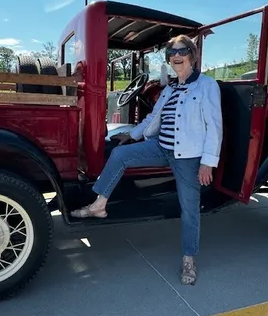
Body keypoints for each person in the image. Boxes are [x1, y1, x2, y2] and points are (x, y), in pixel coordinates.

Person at [71, 34, 223, 285]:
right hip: (160, 147)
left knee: (189, 209)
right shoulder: (170, 88)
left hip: (188, 157)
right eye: (171, 53)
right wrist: (130, 136)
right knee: (119, 154)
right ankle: (99, 205)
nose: (176, 56)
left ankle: (189, 258)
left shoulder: (207, 85)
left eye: (182, 51)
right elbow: (153, 119)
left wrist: (208, 162)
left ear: (192, 56)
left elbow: (214, 127)